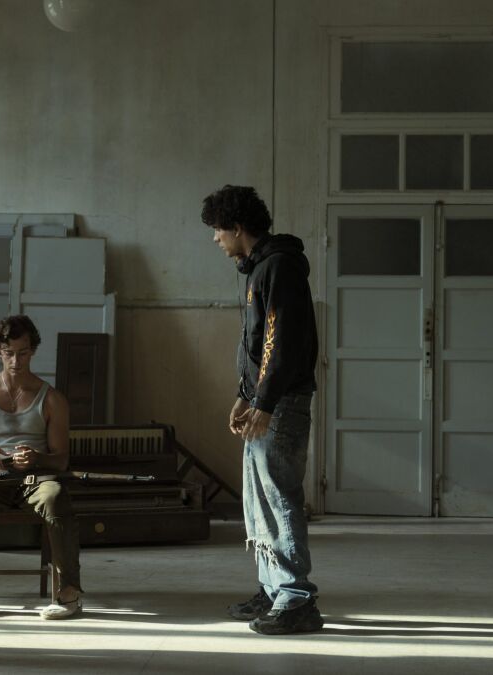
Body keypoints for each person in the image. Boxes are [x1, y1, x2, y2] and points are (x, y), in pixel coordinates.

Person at [202, 184, 323, 635]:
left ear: (237, 228)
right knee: (258, 500)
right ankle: (273, 590)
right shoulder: (260, 269)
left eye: (218, 230)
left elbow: (281, 343)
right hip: (267, 400)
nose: (215, 239)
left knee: (279, 496)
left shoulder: (279, 268)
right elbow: (258, 346)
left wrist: (265, 402)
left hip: (281, 402)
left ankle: (296, 600)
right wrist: (246, 394)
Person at [0, 315, 82, 620]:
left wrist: (37, 458)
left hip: (36, 478)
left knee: (55, 497)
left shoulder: (52, 398)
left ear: (32, 351)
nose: (15, 361)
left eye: (23, 353)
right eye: (8, 353)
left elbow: (61, 459)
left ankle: (69, 592)